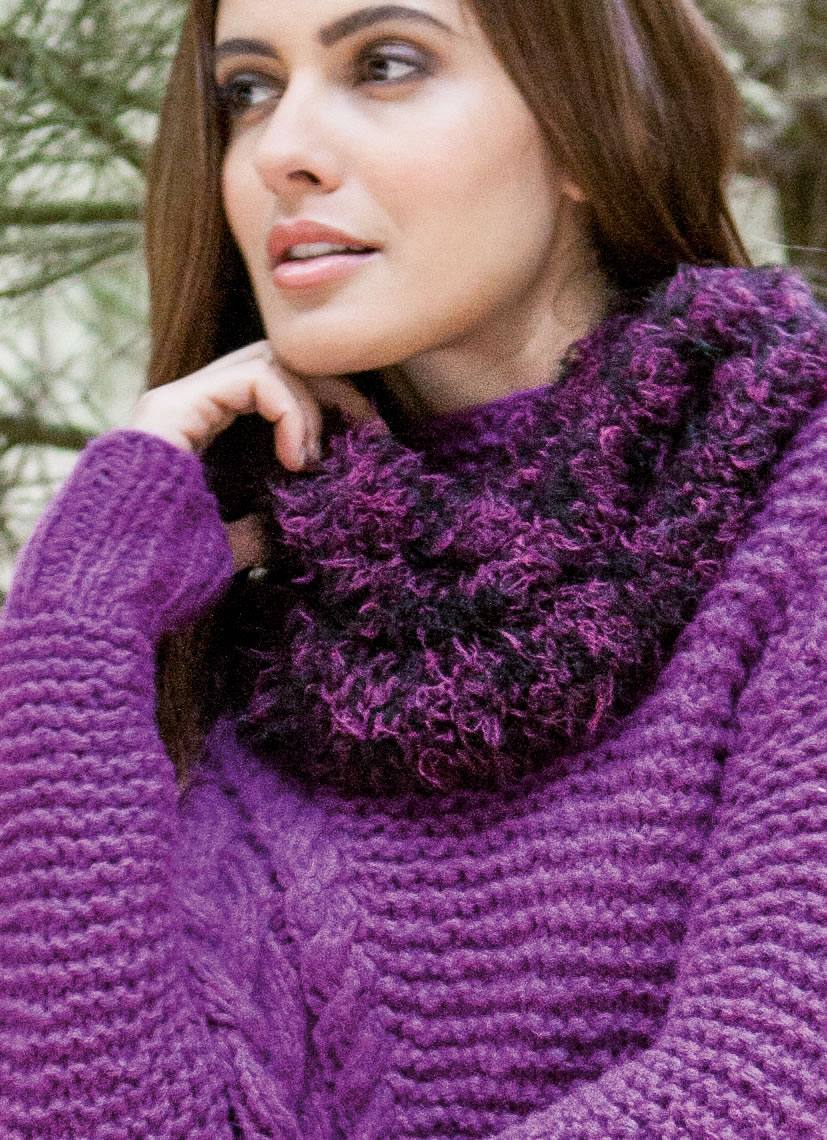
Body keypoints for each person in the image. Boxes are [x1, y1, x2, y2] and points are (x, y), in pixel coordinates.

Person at [1, 0, 826, 1135]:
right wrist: (73, 628)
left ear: (595, 127)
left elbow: (774, 1085)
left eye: (384, 64)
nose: (281, 150)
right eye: (248, 90)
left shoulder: (796, 497)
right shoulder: (241, 627)